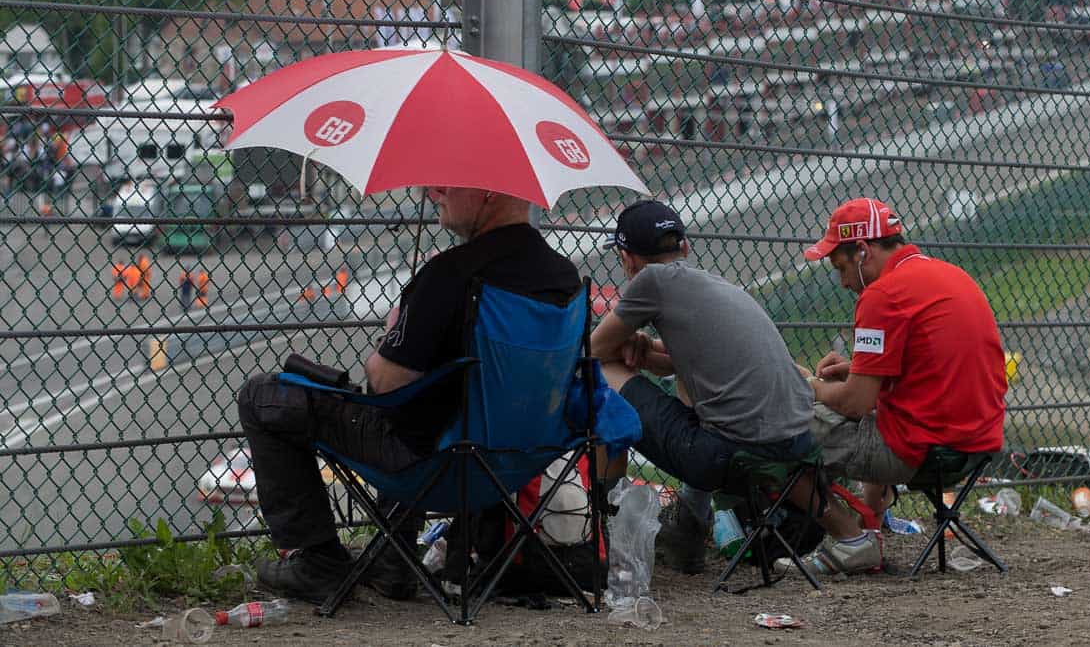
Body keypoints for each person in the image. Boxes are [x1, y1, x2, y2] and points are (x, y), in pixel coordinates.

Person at [237, 186, 581, 604]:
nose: (435, 191)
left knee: (263, 397)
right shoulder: (565, 279)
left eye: (448, 183)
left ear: (489, 192)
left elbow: (385, 381)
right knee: (426, 402)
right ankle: (391, 560)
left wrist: (392, 333)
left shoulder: (452, 274)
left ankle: (319, 563)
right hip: (516, 463)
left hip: (436, 465)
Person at [589, 199, 817, 575]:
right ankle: (688, 528)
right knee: (688, 386)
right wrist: (643, 349)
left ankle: (603, 528)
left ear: (627, 258)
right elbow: (685, 362)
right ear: (685, 246)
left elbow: (593, 351)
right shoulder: (714, 284)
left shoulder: (651, 280)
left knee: (601, 373)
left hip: (727, 455)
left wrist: (628, 343)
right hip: (792, 440)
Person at [801, 197, 1007, 571]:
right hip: (978, 443)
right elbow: (926, 370)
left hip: (923, 450)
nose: (843, 282)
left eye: (841, 268)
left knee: (785, 426)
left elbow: (855, 404)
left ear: (862, 251)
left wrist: (809, 385)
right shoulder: (948, 274)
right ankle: (870, 526)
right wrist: (859, 371)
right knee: (864, 410)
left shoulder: (883, 294)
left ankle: (852, 540)